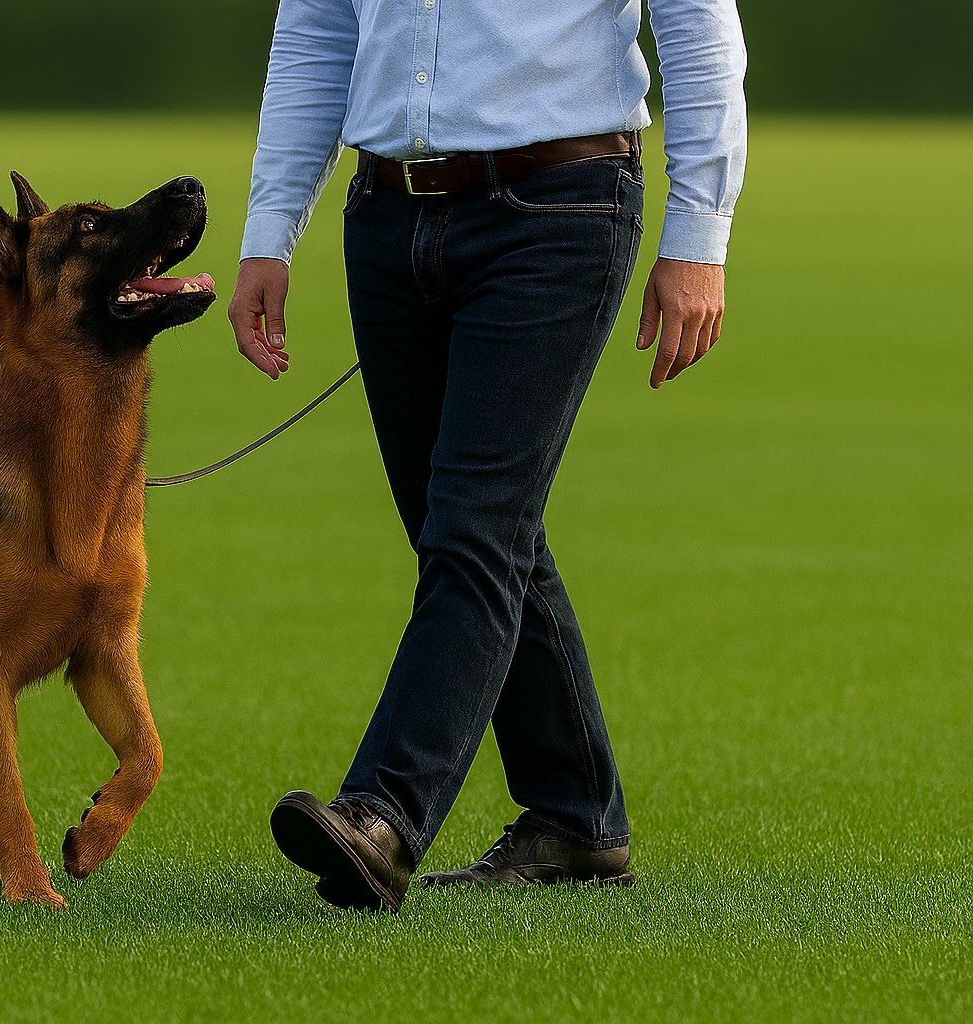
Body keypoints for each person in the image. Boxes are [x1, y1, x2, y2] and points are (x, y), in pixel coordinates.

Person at [228, 0, 747, 911]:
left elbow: (698, 22)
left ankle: (383, 814)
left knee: (474, 527)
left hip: (558, 208)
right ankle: (576, 819)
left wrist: (699, 233)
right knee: (473, 529)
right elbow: (315, 29)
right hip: (385, 217)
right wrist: (270, 230)